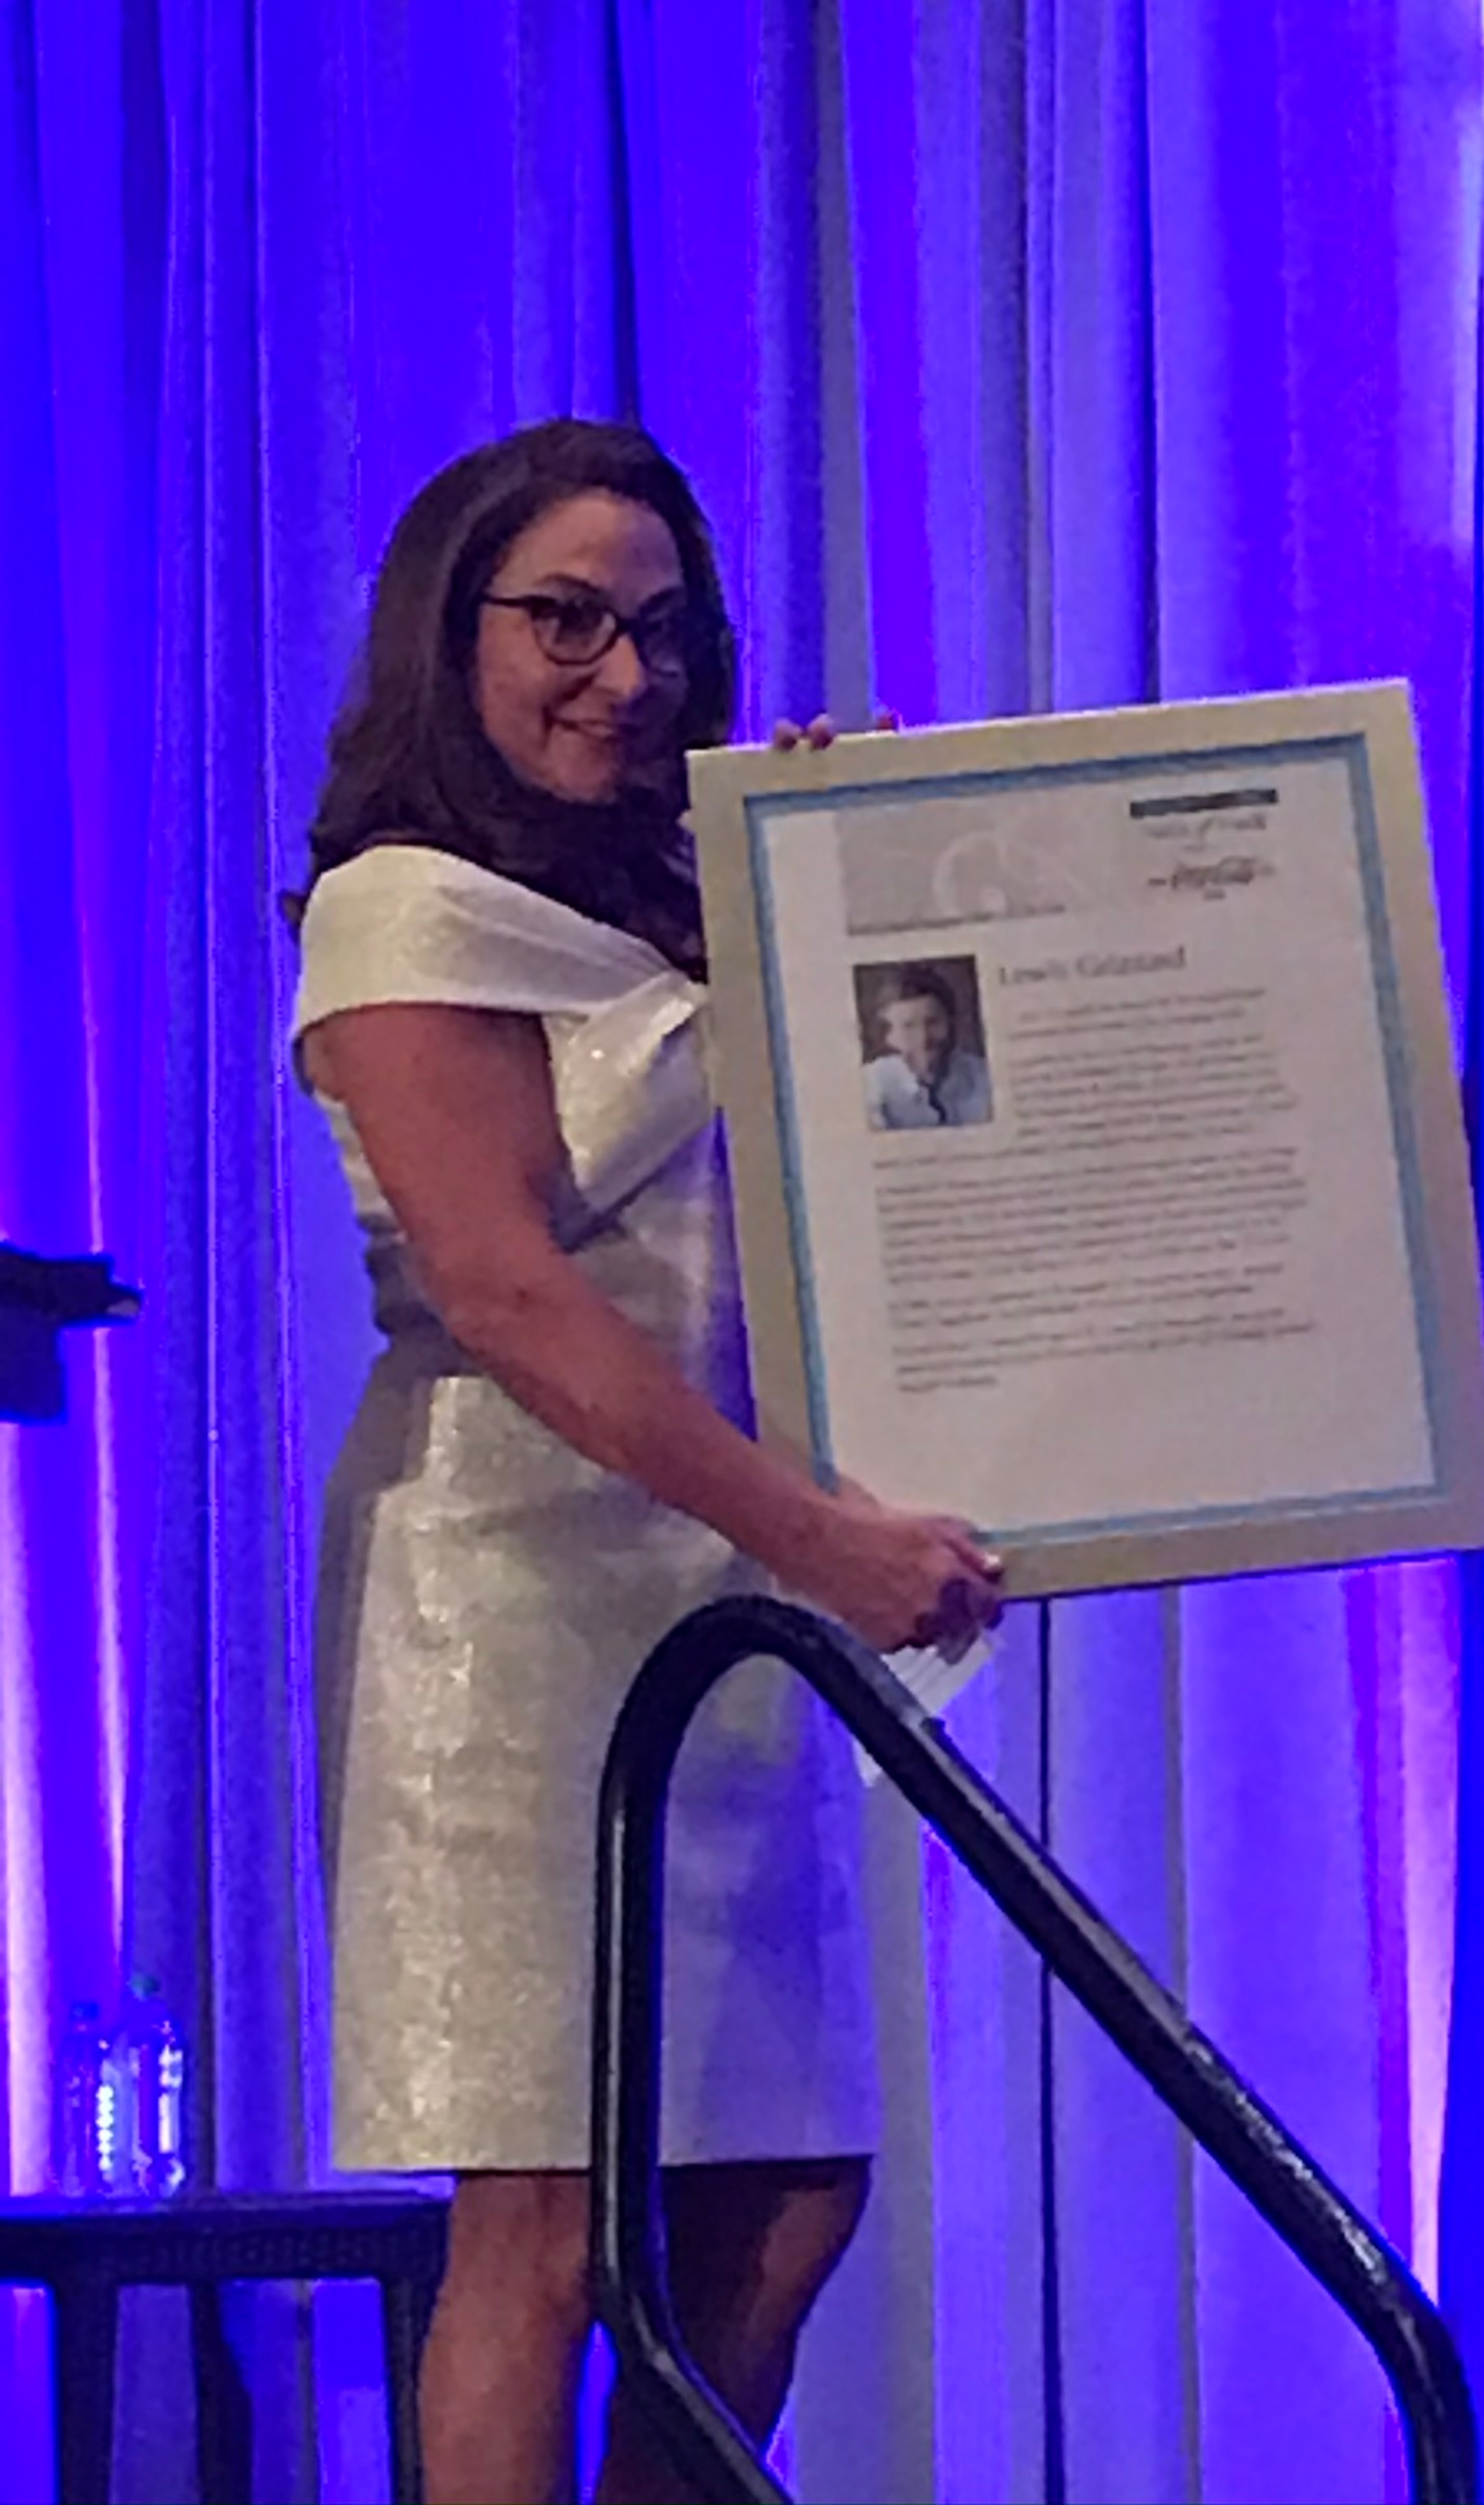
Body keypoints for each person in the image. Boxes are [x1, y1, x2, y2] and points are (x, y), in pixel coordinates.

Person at [288, 417, 1002, 2505]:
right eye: (569, 621)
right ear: (454, 631)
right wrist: (824, 1539)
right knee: (544, 2212)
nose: (626, 672)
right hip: (512, 1605)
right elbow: (507, 1293)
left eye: (664, 629)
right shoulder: (401, 908)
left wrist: (859, 863)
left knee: (780, 2198)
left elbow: (918, 1127)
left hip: (724, 1587)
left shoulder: (703, 881)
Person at [861, 964, 994, 1130]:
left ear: (952, 1022)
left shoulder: (985, 1077)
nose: (923, 1038)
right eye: (909, 1027)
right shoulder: (870, 1086)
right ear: (890, 1037)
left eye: (932, 1023)